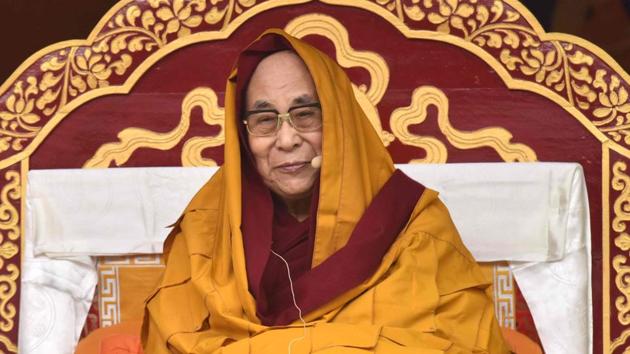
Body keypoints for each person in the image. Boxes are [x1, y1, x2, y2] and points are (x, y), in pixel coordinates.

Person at [141, 28, 510, 353]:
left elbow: (459, 344)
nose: (287, 140)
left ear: (338, 120)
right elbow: (173, 340)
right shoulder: (208, 231)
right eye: (265, 120)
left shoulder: (414, 227)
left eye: (305, 115)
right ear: (242, 135)